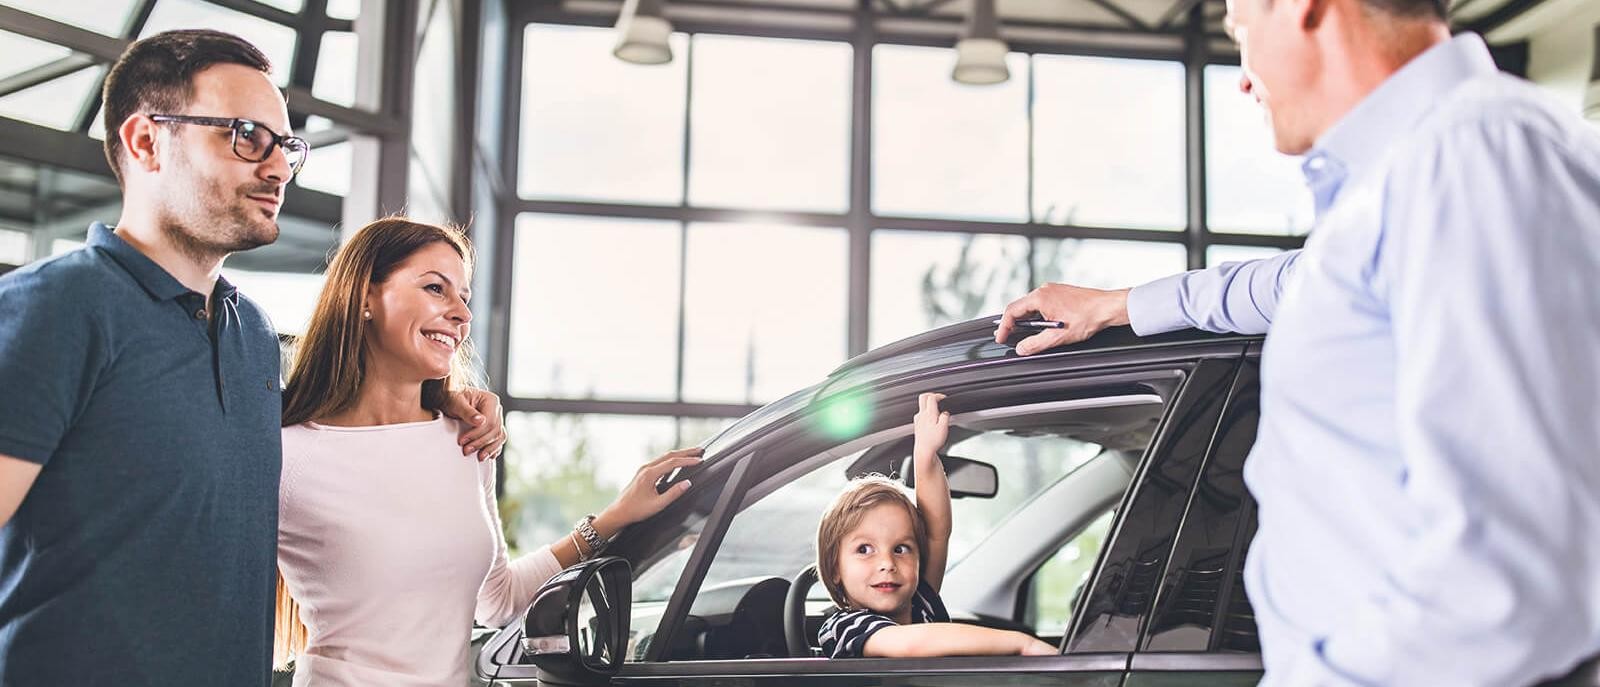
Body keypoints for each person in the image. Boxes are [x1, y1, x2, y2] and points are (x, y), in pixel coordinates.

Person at [995, 0, 1600, 683]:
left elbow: (1512, 576)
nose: (1244, 79)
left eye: (1240, 29)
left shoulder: (1472, 157)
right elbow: (1289, 284)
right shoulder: (1409, 183)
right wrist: (1122, 305)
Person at [0, 31, 504, 685]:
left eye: (286, 145)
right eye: (245, 136)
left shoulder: (251, 335)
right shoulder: (56, 306)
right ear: (146, 141)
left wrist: (444, 400)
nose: (278, 167)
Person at [272, 217, 704, 685]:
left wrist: (614, 518)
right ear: (364, 297)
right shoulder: (286, 454)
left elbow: (498, 601)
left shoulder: (466, 439)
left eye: (464, 297)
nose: (461, 313)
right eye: (436, 289)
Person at [815, 393, 1055, 658]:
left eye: (901, 548)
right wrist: (1023, 644)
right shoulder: (844, 627)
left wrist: (926, 454)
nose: (887, 563)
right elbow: (910, 645)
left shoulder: (921, 603)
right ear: (835, 567)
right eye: (864, 549)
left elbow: (936, 532)